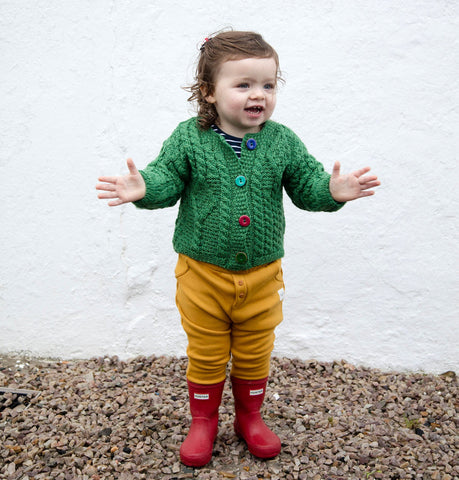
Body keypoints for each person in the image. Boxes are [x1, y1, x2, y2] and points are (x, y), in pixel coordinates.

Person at [96, 30, 380, 467]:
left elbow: (307, 186)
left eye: (268, 85)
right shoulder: (189, 139)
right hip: (201, 274)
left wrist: (333, 191)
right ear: (209, 92)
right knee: (207, 353)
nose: (258, 95)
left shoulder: (282, 141)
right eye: (243, 84)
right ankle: (203, 420)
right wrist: (144, 187)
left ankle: (249, 417)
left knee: (254, 350)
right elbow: (166, 179)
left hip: (263, 275)